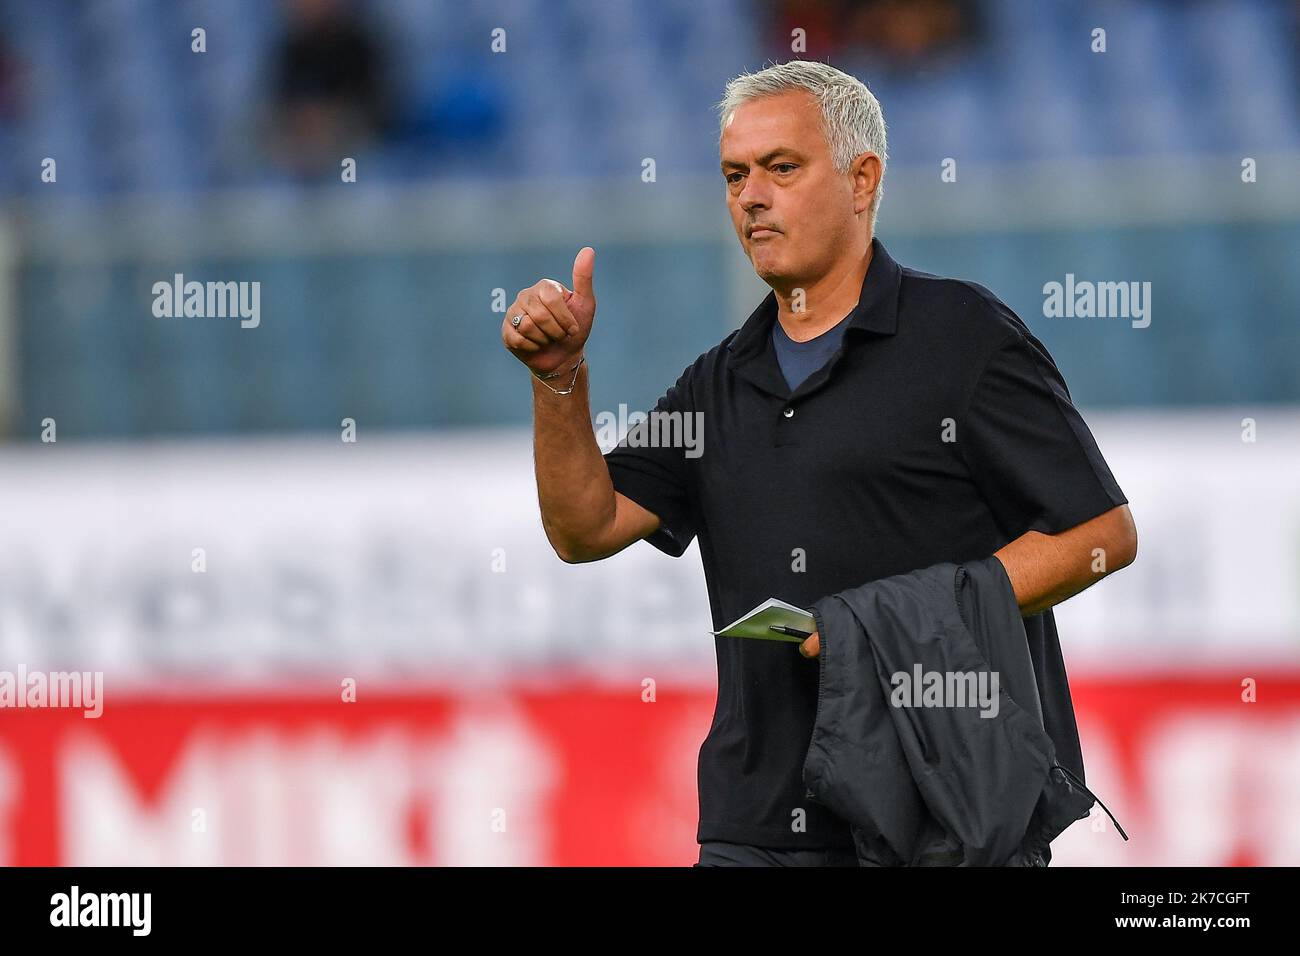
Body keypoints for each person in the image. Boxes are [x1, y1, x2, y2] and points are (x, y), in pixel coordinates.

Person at [500, 60, 1137, 866]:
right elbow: (584, 527)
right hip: (756, 824)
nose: (750, 197)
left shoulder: (963, 336)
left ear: (862, 179)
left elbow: (1102, 532)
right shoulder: (720, 378)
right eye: (735, 176)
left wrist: (891, 619)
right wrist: (558, 379)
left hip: (943, 815)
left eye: (781, 169)